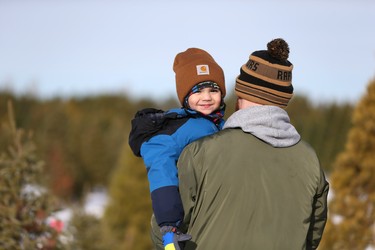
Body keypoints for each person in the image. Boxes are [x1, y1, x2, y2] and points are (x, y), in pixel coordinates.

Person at [151, 38, 329, 249]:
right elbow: (312, 236)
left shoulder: (200, 152)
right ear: (283, 100)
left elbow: (162, 233)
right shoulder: (309, 159)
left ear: (240, 92)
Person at [129, 48, 226, 250]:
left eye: (213, 90)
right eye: (198, 91)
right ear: (184, 96)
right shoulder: (179, 127)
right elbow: (160, 167)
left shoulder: (221, 124)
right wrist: (169, 225)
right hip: (184, 221)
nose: (206, 97)